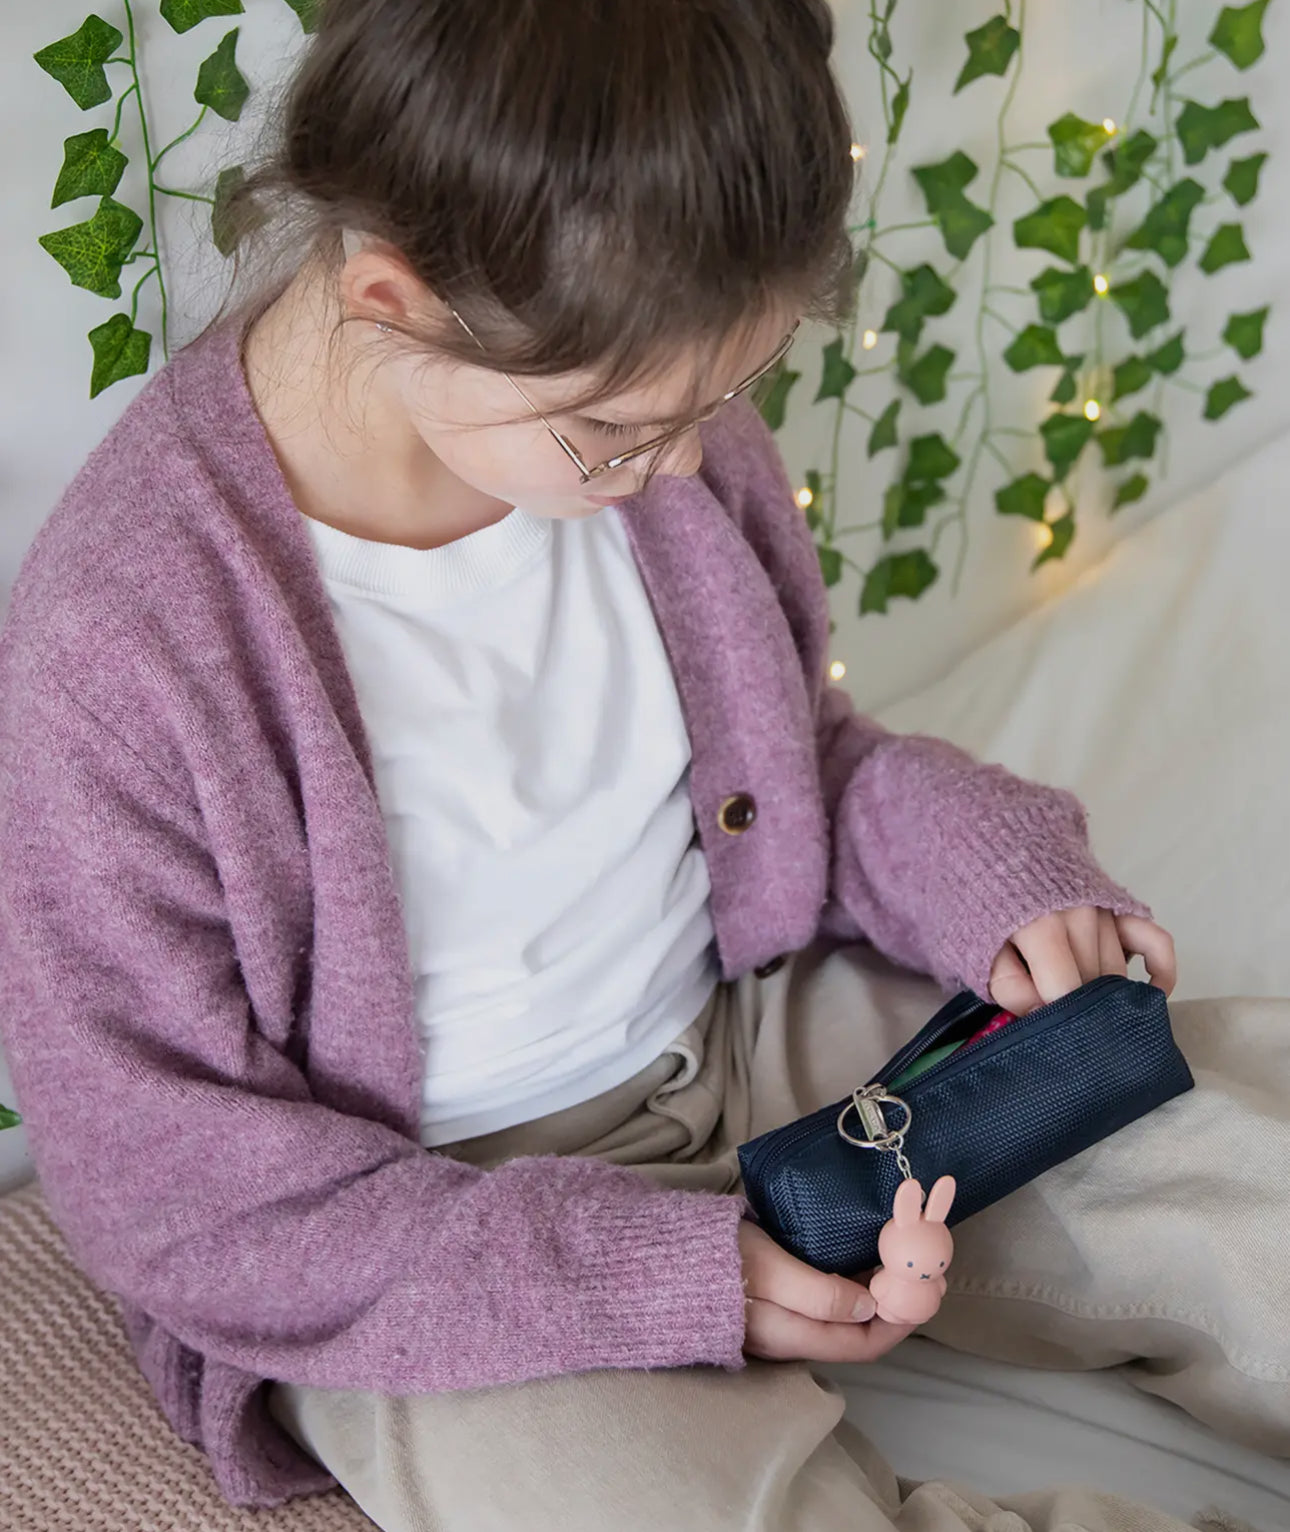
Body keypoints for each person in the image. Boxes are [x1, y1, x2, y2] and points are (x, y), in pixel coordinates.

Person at [0, 3, 1283, 1529]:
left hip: (759, 1021)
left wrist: (1004, 881)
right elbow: (178, 1189)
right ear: (390, 298)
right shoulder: (120, 639)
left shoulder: (656, 437)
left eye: (715, 404)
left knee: (1235, 1189)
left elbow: (806, 760)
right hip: (432, 1229)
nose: (680, 470)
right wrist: (670, 1282)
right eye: (613, 430)